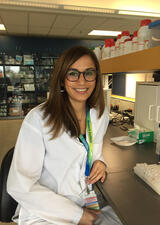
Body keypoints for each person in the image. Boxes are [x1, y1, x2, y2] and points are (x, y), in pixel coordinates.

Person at [7, 46, 122, 225]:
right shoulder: (39, 118)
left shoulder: (99, 114)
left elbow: (93, 150)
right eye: (73, 73)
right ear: (62, 79)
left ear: (96, 78)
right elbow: (20, 185)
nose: (82, 81)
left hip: (86, 200)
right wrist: (77, 215)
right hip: (46, 211)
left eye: (88, 73)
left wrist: (101, 162)